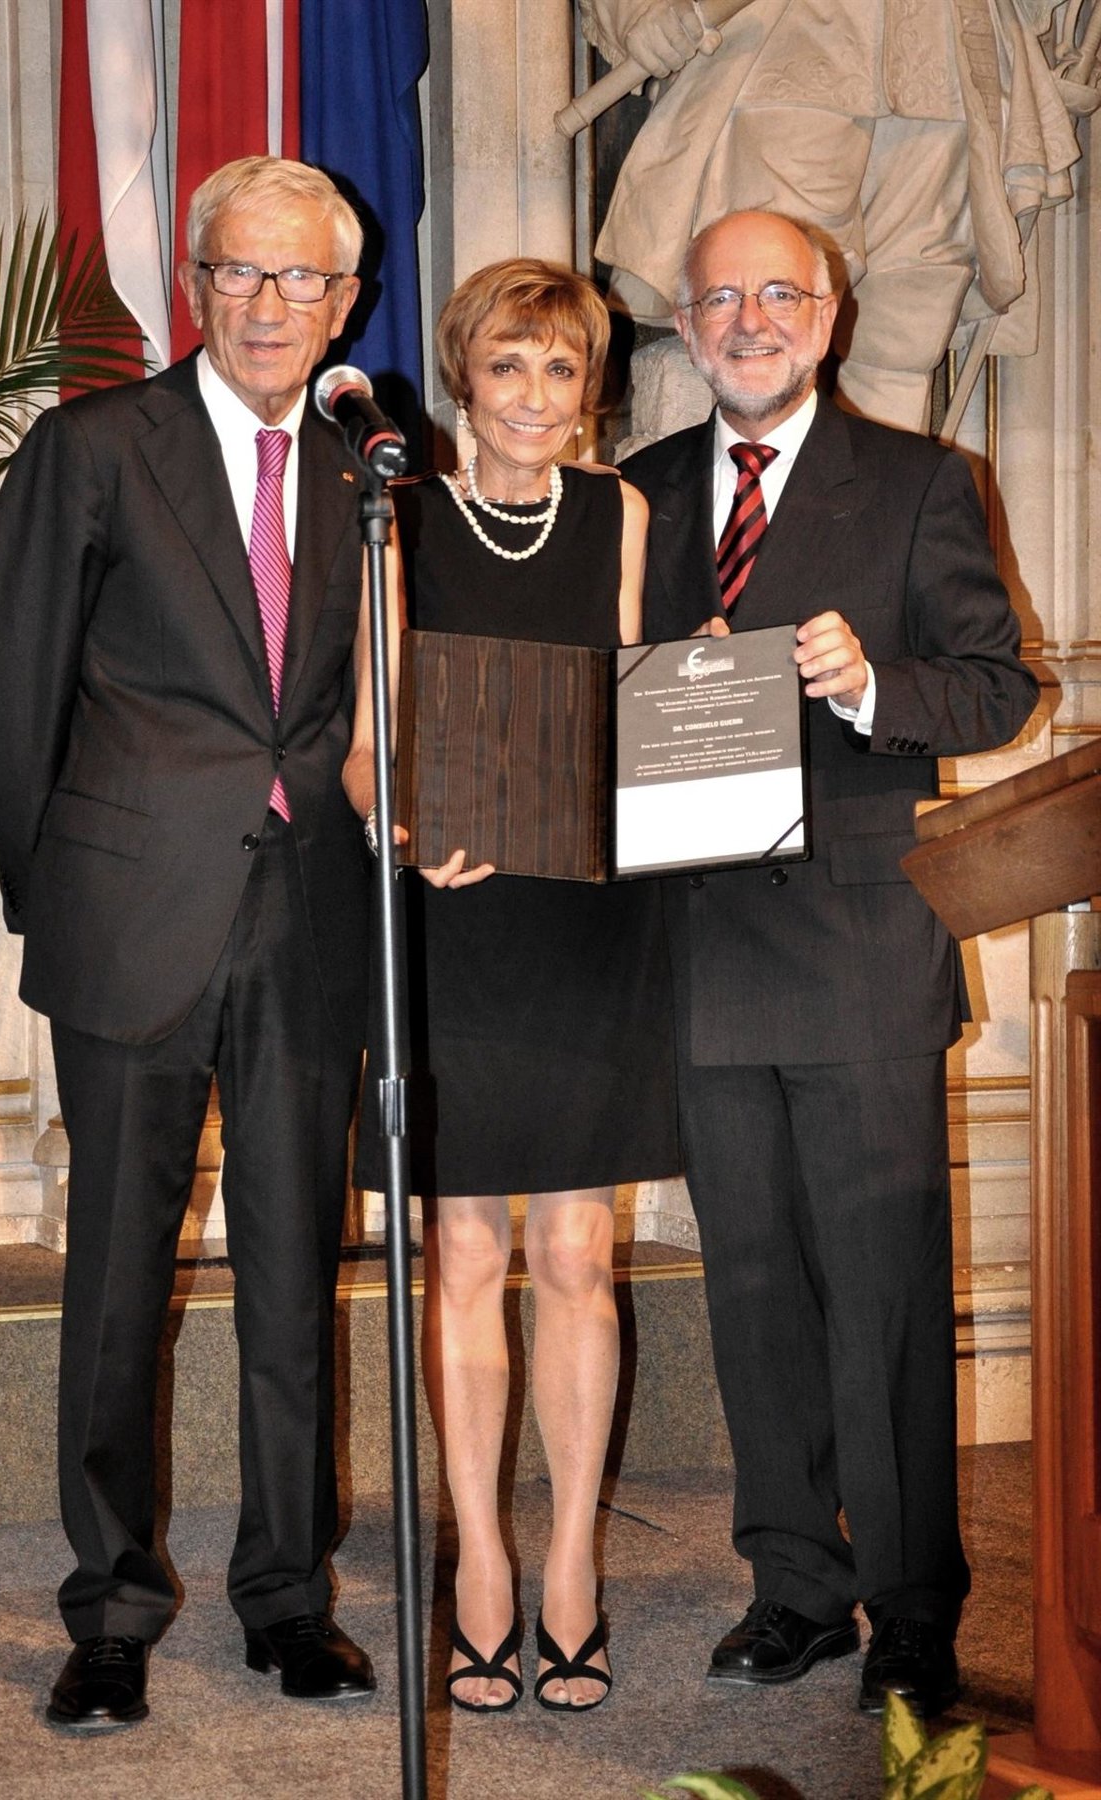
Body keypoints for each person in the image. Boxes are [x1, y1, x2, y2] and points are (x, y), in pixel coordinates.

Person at [0, 156, 383, 1730]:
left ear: (344, 302)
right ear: (196, 285)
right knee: (116, 1278)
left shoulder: (366, 471)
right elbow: (17, 691)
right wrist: (62, 894)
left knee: (293, 1271)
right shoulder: (93, 448)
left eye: (303, 279)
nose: (272, 304)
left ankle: (289, 1597)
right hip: (130, 915)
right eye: (242, 272)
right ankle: (111, 1608)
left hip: (310, 917)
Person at [619, 210, 1039, 1715]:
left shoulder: (924, 482)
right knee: (752, 1287)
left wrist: (873, 685)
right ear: (686, 322)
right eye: (721, 297)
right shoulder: (639, 494)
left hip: (860, 944)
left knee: (885, 1292)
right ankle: (794, 1584)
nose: (750, 320)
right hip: (705, 946)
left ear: (831, 314)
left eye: (779, 295)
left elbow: (1001, 689)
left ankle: (913, 1605)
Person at [356, 259, 678, 1713]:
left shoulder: (619, 512)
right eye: (508, 365)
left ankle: (574, 1567)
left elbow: (627, 701)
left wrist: (702, 699)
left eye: (561, 368)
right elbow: (367, 741)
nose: (536, 396)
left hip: (586, 917)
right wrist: (401, 827)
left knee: (577, 1255)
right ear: (463, 380)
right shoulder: (401, 513)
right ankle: (481, 1561)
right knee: (469, 1256)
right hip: (456, 917)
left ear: (587, 388)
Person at [578, 0, 1079, 431]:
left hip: (939, 52)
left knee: (906, 323)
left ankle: (879, 507)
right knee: (751, 302)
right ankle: (724, 504)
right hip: (786, 50)